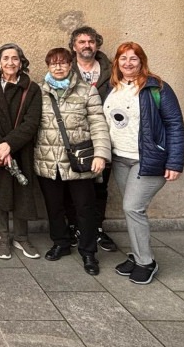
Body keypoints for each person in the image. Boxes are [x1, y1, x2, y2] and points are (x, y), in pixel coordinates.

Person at [104, 42, 184, 285]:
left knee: (132, 208)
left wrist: (175, 162)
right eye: (123, 59)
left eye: (133, 59)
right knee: (132, 210)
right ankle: (137, 254)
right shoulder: (114, 87)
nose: (128, 63)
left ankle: (146, 262)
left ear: (142, 62)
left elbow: (175, 125)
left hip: (148, 160)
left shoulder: (157, 88)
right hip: (120, 158)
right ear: (117, 62)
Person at [35, 48, 111, 275]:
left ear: (71, 65)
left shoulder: (87, 91)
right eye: (53, 63)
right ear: (48, 66)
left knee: (85, 208)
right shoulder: (38, 92)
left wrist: (101, 154)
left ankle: (88, 252)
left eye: (63, 63)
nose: (58, 67)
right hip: (48, 159)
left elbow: (98, 124)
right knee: (54, 206)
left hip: (79, 160)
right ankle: (61, 242)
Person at [0, 43, 42, 260]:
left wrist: (9, 145)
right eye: (5, 58)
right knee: (0, 193)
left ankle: (21, 237)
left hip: (20, 149)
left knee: (22, 191)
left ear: (21, 62)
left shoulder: (31, 88)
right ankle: (3, 237)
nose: (10, 63)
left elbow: (31, 123)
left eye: (15, 58)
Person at [67, 25, 117, 252]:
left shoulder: (112, 71)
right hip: (76, 137)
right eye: (82, 42)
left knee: (101, 186)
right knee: (75, 184)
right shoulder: (66, 70)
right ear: (74, 46)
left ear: (97, 44)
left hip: (105, 136)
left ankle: (96, 228)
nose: (87, 45)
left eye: (91, 41)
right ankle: (75, 227)